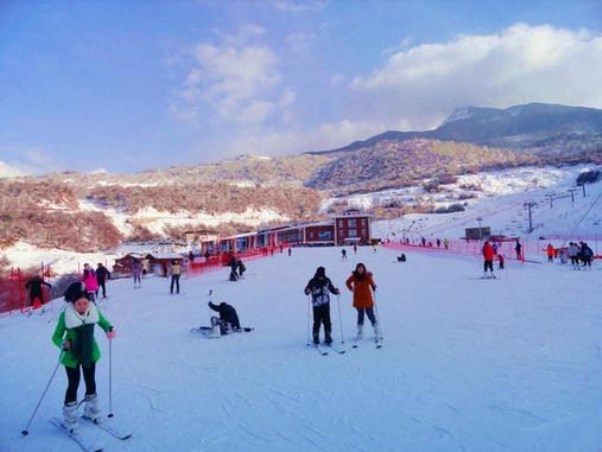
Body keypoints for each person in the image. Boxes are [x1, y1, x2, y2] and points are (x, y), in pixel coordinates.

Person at [51, 282, 115, 432]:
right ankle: (70, 419)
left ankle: (91, 411)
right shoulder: (65, 316)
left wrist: (109, 329)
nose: (82, 306)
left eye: (85, 303)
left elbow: (104, 323)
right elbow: (56, 337)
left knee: (90, 381)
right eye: (79, 304)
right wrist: (63, 343)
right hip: (71, 356)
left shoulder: (93, 311)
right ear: (73, 303)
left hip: (89, 352)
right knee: (74, 384)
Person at [304, 267, 340, 345]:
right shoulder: (312, 281)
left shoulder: (327, 280)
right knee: (317, 321)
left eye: (322, 274)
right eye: (320, 274)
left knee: (327, 320)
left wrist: (336, 291)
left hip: (326, 304)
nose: (321, 276)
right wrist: (307, 291)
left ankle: (328, 335)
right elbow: (307, 290)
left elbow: (331, 288)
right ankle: (315, 336)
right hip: (316, 305)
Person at [346, 263, 378, 341]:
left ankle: (376, 330)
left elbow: (372, 283)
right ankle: (360, 332)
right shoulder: (354, 276)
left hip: (367, 298)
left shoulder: (367, 276)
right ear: (356, 269)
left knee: (370, 314)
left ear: (364, 268)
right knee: (360, 315)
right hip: (358, 299)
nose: (360, 269)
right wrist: (351, 288)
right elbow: (347, 282)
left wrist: (373, 287)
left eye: (361, 268)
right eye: (359, 268)